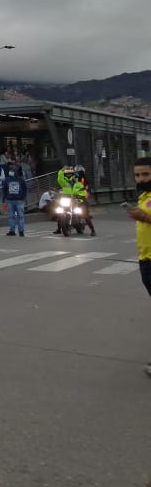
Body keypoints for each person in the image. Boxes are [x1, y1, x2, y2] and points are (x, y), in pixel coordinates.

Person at [122, 157, 151, 378]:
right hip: (145, 260)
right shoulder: (144, 196)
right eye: (137, 175)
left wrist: (146, 217)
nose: (141, 179)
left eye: (146, 174)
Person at [3, 164, 28, 236]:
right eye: (10, 170)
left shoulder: (21, 180)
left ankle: (21, 231)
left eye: (12, 170)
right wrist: (4, 198)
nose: (10, 172)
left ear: (16, 171)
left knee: (20, 216)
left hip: (19, 200)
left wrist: (23, 197)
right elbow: (4, 190)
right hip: (10, 200)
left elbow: (25, 189)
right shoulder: (7, 180)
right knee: (11, 216)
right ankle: (12, 230)